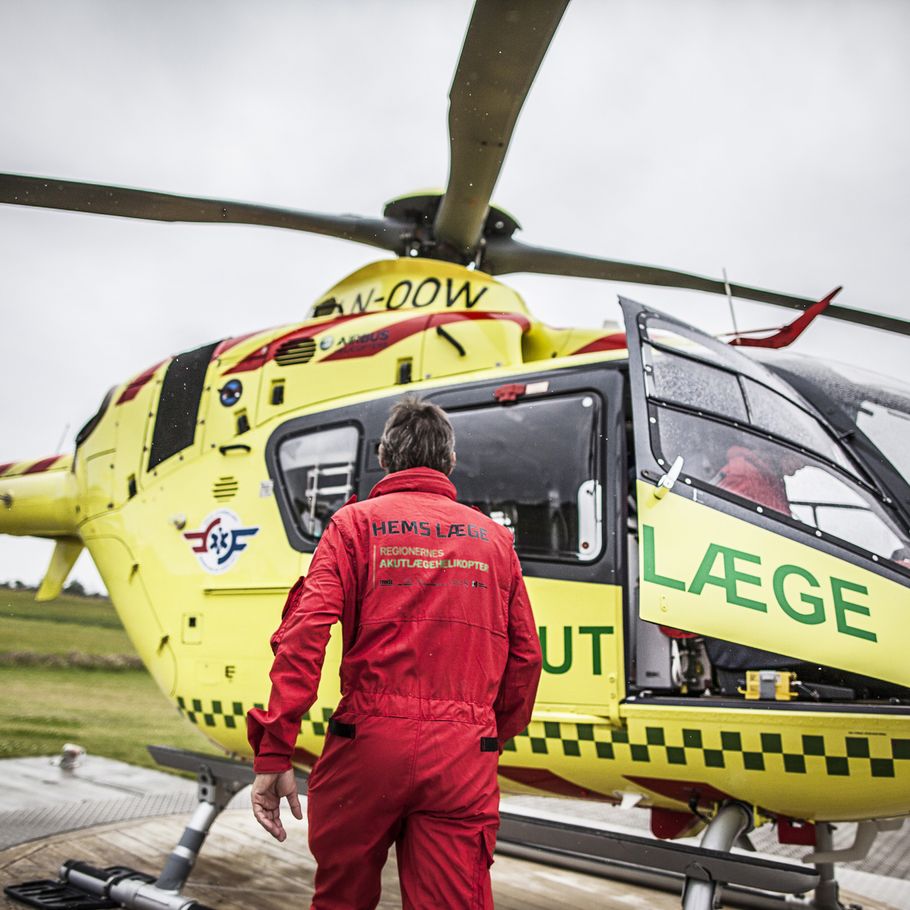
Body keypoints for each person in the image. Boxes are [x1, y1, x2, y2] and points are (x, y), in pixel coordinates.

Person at [246, 396, 542, 909]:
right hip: (463, 753)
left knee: (341, 900)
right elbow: (525, 658)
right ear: (449, 462)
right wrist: (487, 734)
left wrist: (276, 747)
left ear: (384, 457)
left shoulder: (352, 525)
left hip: (366, 743)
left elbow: (304, 634)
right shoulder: (496, 542)